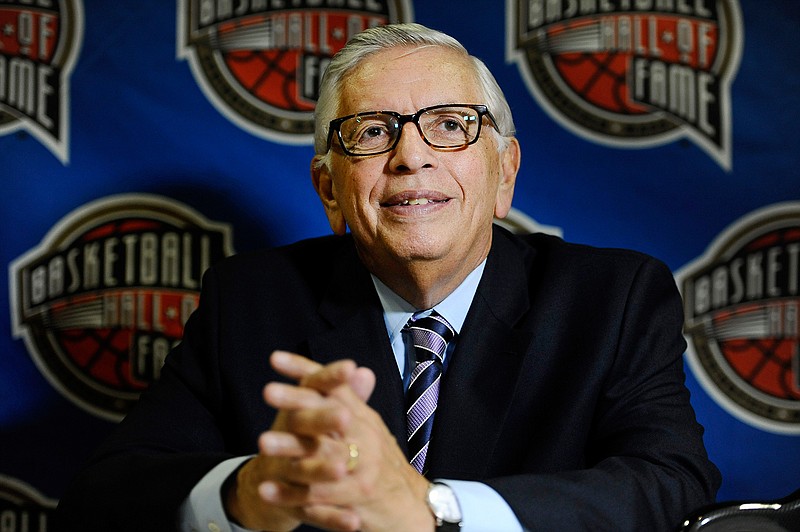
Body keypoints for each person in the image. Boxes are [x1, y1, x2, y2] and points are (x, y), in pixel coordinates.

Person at [56, 23, 720, 531]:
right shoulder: (250, 302)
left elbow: (671, 482)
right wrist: (249, 492)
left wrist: (436, 507)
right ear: (330, 190)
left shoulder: (614, 299)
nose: (410, 157)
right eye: (372, 131)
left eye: (450, 126)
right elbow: (102, 497)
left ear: (505, 175)